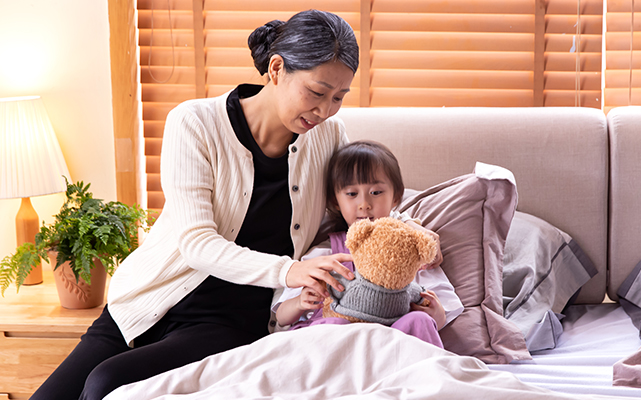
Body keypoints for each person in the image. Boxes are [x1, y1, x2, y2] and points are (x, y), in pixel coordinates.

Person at [31, 10, 440, 400]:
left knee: (106, 384)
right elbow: (196, 242)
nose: (324, 110)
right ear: (277, 69)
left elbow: (360, 206)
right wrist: (290, 270)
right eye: (316, 92)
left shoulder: (329, 135)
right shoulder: (193, 123)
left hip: (230, 318)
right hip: (148, 298)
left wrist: (408, 241)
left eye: (338, 97)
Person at [273, 141, 463, 348]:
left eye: (376, 192)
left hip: (392, 345)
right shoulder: (324, 253)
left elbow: (443, 306)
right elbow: (281, 317)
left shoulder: (408, 250)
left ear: (395, 198)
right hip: (342, 348)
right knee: (332, 325)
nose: (364, 204)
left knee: (420, 320)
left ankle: (414, 375)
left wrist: (437, 315)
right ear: (335, 202)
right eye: (352, 194)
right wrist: (300, 303)